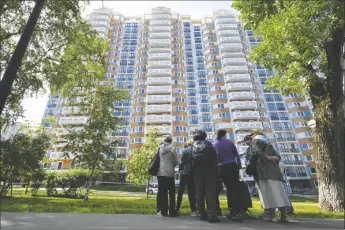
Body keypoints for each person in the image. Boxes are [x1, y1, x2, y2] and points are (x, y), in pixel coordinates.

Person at [249, 130, 291, 222]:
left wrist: (267, 158)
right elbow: (277, 155)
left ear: (255, 134)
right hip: (275, 171)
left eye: (251, 135)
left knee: (268, 193)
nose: (251, 137)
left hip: (264, 172)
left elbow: (257, 152)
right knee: (279, 192)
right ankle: (283, 216)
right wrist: (274, 158)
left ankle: (271, 215)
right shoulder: (267, 142)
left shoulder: (256, 141)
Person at [213, 129, 243, 221]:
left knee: (215, 190)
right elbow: (236, 155)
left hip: (219, 168)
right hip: (231, 167)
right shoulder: (229, 142)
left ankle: (216, 210)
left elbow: (214, 158)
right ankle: (234, 212)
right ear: (225, 134)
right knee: (232, 190)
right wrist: (239, 166)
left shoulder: (214, 144)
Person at [191, 130, 220, 223]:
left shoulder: (193, 146)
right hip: (209, 170)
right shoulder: (208, 144)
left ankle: (202, 214)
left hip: (197, 171)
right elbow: (215, 157)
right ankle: (212, 215)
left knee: (199, 193)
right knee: (210, 192)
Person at [156, 136, 178, 217]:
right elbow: (175, 161)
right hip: (170, 174)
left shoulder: (159, 148)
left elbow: (157, 159)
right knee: (171, 193)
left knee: (162, 193)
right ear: (171, 141)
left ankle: (163, 211)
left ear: (164, 140)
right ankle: (172, 212)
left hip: (161, 173)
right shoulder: (173, 149)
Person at [176, 139, 197, 216]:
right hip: (192, 174)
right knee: (192, 193)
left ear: (187, 144)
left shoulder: (185, 150)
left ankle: (177, 209)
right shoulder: (196, 150)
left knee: (180, 192)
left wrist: (180, 170)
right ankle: (193, 210)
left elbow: (182, 162)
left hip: (184, 173)